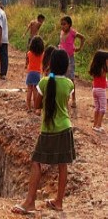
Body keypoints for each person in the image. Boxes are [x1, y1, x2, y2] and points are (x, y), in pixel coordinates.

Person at [11, 49, 76, 215]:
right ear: (67, 67)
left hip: (48, 129)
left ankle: (30, 202)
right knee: (63, 165)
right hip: (65, 127)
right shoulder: (69, 84)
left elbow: (37, 105)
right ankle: (58, 202)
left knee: (37, 162)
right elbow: (65, 102)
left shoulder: (44, 83)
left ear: (50, 64)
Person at [58, 16, 85, 108]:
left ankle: (73, 99)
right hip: (62, 58)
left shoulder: (72, 32)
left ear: (69, 25)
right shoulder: (61, 32)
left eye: (64, 24)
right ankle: (64, 97)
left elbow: (82, 37)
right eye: (61, 24)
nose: (62, 26)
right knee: (62, 77)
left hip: (70, 58)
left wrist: (79, 48)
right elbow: (61, 43)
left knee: (71, 78)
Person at [89, 50, 108, 133]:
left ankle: (95, 124)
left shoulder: (95, 69)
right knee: (103, 109)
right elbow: (104, 75)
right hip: (101, 90)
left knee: (97, 108)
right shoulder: (103, 69)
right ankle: (98, 125)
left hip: (95, 89)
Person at [25, 36, 44, 113]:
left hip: (30, 73)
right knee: (35, 90)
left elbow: (27, 62)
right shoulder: (42, 54)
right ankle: (35, 108)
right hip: (37, 73)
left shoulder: (29, 53)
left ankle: (29, 107)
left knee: (29, 89)